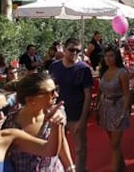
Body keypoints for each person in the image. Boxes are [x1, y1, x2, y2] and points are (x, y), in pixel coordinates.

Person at [3, 73, 74, 172]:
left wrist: (70, 167)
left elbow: (62, 141)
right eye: (51, 92)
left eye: (56, 89)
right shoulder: (10, 123)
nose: (56, 95)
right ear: (30, 100)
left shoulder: (57, 113)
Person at [0, 88, 64, 171]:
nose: (1, 117)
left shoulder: (8, 136)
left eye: (5, 109)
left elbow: (49, 150)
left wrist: (56, 124)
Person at [49, 38, 93, 172]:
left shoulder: (84, 69)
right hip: (58, 115)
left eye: (78, 50)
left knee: (80, 148)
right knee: (57, 147)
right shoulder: (54, 66)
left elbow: (88, 95)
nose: (75, 53)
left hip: (76, 114)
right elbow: (51, 90)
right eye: (71, 49)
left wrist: (83, 119)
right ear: (64, 49)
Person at [95, 45, 130, 171]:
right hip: (105, 108)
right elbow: (100, 91)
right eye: (106, 56)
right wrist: (97, 108)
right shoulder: (103, 71)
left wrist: (123, 114)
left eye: (111, 56)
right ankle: (121, 166)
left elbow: (127, 95)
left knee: (115, 144)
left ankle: (115, 169)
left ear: (117, 57)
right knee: (113, 142)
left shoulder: (122, 72)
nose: (108, 59)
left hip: (118, 108)